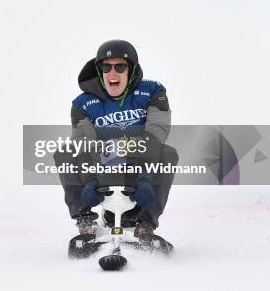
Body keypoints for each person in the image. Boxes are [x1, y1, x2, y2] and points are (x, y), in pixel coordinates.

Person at [54, 40, 178, 237]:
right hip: (103, 165)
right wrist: (90, 180)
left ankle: (145, 225)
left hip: (141, 164)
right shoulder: (82, 104)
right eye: (106, 66)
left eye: (120, 66)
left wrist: (144, 175)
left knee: (168, 153)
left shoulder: (153, 92)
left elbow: (157, 132)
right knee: (65, 152)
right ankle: (85, 222)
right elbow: (83, 145)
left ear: (131, 70)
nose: (112, 73)